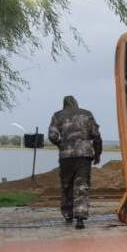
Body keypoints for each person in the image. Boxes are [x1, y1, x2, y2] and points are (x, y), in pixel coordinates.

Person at [48, 95, 102, 229]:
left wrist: (61, 145)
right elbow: (96, 136)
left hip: (66, 156)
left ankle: (67, 214)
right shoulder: (87, 114)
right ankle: (80, 218)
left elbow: (52, 135)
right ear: (76, 103)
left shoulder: (57, 115)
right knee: (81, 185)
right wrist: (98, 154)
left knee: (67, 184)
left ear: (64, 104)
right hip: (84, 155)